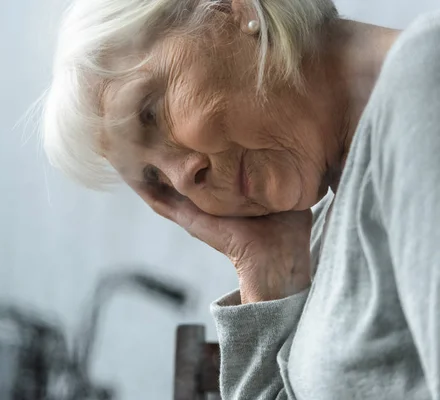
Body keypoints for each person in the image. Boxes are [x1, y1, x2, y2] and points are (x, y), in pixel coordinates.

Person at [42, 0, 440, 398]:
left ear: (231, 9)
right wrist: (266, 274)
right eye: (155, 177)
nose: (182, 180)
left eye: (151, 112)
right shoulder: (324, 238)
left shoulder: (422, 82)